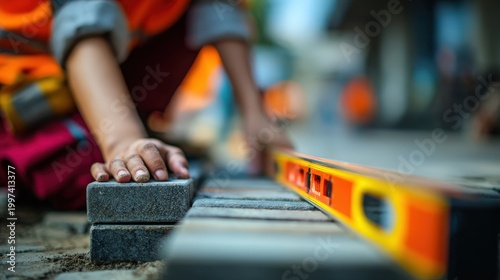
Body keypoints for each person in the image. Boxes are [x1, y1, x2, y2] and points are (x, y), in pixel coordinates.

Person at [0, 0, 292, 209]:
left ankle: (132, 131)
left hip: (113, 62)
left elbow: (221, 9)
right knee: (92, 173)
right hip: (26, 80)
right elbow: (80, 18)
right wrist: (121, 141)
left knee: (140, 163)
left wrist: (256, 115)